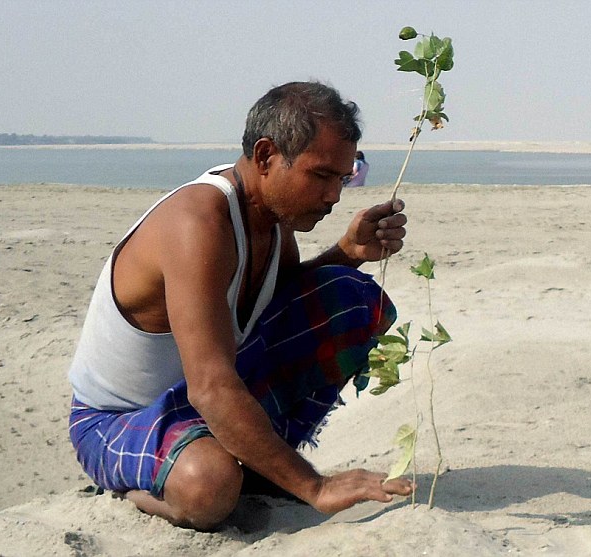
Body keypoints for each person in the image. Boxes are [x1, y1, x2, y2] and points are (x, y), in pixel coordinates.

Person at [67, 81, 411, 530]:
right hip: (116, 420)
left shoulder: (270, 217)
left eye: (342, 179)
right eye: (321, 176)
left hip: (196, 406)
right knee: (209, 485)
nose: (334, 196)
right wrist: (315, 487)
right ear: (267, 157)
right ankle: (142, 489)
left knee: (351, 299)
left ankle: (254, 465)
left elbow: (278, 308)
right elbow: (210, 387)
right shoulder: (200, 223)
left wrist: (347, 253)